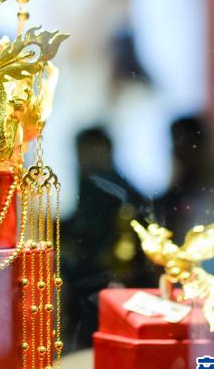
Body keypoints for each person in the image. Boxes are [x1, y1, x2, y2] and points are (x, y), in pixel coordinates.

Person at [63, 126, 152, 349]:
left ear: (106, 150)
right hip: (101, 284)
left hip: (106, 283)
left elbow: (88, 234)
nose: (82, 160)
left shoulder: (108, 188)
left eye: (88, 152)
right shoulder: (110, 187)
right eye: (80, 153)